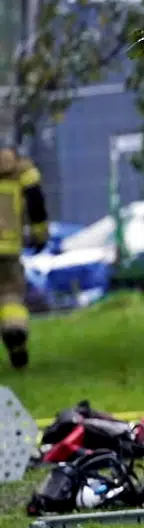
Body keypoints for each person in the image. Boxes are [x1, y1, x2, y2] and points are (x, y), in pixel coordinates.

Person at [0, 140, 46, 369]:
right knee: (11, 295)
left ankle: (15, 343)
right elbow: (36, 199)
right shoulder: (21, 170)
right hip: (8, 248)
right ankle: (15, 336)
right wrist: (40, 233)